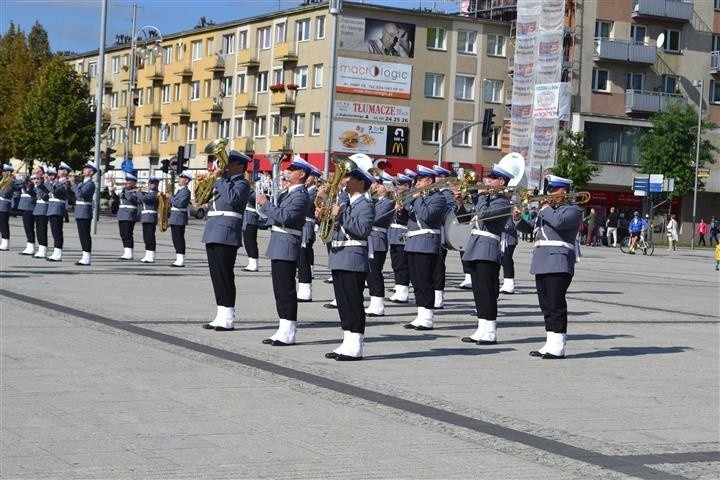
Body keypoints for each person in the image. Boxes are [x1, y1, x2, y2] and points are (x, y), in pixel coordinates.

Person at [512, 175, 583, 359]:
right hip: (542, 260)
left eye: (553, 190)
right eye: (549, 190)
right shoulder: (550, 210)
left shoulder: (573, 210)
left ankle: (558, 345)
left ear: (564, 191)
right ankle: (550, 342)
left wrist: (544, 208)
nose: (549, 193)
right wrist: (519, 220)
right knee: (545, 305)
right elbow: (532, 230)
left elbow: (558, 223)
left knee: (555, 303)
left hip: (558, 262)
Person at [318, 165, 375, 361]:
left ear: (361, 182)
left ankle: (356, 345)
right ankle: (347, 341)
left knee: (353, 303)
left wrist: (340, 215)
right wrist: (324, 216)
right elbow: (335, 228)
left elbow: (362, 230)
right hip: (340, 255)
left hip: (353, 257)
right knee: (343, 303)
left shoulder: (366, 205)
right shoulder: (347, 203)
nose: (345, 180)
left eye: (350, 178)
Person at [256, 156, 312, 346]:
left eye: (293, 170)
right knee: (279, 290)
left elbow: (285, 217)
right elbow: (275, 215)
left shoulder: (301, 195)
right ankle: (282, 328)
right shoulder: (289, 192)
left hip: (287, 243)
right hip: (279, 243)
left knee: (286, 290)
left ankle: (288, 331)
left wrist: (266, 204)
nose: (288, 172)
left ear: (302, 174)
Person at [460, 164, 513, 345]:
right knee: (479, 292)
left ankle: (490, 331)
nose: (487, 181)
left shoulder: (503, 202)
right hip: (475, 247)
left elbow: (483, 214)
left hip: (488, 249)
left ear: (502, 181)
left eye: (492, 178)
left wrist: (481, 195)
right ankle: (481, 328)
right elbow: (467, 215)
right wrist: (462, 200)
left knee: (487, 292)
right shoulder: (488, 198)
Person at [201, 150, 251, 331]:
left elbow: (232, 199)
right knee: (217, 276)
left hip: (226, 232)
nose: (226, 166)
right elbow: (202, 200)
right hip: (213, 230)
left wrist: (220, 180)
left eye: (230, 163)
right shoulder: (225, 182)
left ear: (240, 166)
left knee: (225, 275)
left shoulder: (243, 183)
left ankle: (228, 316)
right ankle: (220, 314)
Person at [402, 165, 447, 331]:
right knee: (416, 282)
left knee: (425, 281)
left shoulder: (438, 198)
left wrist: (417, 198)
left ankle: (428, 317)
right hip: (413, 242)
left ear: (429, 181)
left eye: (420, 180)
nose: (417, 183)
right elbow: (407, 209)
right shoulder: (419, 196)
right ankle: (420, 314)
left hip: (427, 242)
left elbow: (427, 215)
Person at [365, 173, 396, 317]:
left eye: (380, 184)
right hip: (371, 238)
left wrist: (368, 199)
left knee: (375, 272)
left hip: (377, 240)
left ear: (388, 187)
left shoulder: (389, 202)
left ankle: (378, 305)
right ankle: (374, 302)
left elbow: (374, 218)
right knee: (370, 273)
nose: (376, 186)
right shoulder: (377, 201)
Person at [297, 165, 322, 302]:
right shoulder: (308, 191)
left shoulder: (313, 192)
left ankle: (306, 290)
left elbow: (305, 207)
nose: (306, 179)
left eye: (309, 176)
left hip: (307, 225)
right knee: (302, 257)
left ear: (315, 178)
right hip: (303, 224)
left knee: (304, 258)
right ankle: (303, 288)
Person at [386, 173, 413, 303]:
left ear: (407, 186)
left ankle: (403, 292)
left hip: (403, 232)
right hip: (394, 232)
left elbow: (406, 218)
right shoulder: (399, 197)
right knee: (395, 261)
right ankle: (399, 287)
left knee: (402, 262)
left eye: (400, 185)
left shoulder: (409, 198)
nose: (397, 187)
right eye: (397, 184)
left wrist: (401, 210)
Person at [46, 163, 72, 261]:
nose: (58, 171)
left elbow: (55, 192)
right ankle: (55, 252)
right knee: (54, 231)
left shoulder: (65, 182)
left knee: (57, 231)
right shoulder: (56, 181)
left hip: (58, 208)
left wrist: (49, 183)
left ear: (65, 172)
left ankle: (58, 253)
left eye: (61, 169)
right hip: (52, 207)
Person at [73, 161, 97, 266]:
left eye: (87, 168)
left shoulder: (90, 184)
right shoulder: (83, 183)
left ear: (91, 172)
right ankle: (84, 256)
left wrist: (74, 184)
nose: (84, 170)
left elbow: (80, 193)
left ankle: (87, 257)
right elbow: (73, 195)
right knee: (81, 235)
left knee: (85, 235)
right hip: (79, 210)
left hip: (84, 211)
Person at [169, 171, 193, 267]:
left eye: (181, 178)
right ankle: (178, 258)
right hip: (175, 218)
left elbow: (179, 204)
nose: (179, 179)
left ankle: (181, 259)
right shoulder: (179, 190)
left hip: (179, 218)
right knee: (175, 239)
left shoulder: (186, 191)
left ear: (186, 181)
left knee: (179, 239)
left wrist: (170, 197)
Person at [117, 173, 139, 260]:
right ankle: (126, 252)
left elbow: (131, 199)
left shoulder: (136, 191)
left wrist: (126, 190)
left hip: (129, 214)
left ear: (134, 183)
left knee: (128, 233)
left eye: (129, 181)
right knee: (123, 234)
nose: (127, 183)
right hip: (122, 213)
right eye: (126, 181)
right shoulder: (124, 190)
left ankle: (129, 253)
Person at [138, 176, 160, 263]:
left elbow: (144, 199)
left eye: (153, 183)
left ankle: (151, 256)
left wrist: (139, 193)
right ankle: (147, 254)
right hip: (145, 217)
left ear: (157, 184)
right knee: (146, 237)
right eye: (150, 183)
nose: (151, 185)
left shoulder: (155, 194)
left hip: (150, 216)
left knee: (150, 237)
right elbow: (140, 200)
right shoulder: (149, 193)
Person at [242, 175, 261, 272]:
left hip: (251, 220)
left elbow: (253, 200)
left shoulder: (253, 194)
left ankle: (254, 263)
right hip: (246, 220)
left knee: (251, 242)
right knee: (247, 242)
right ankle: (251, 262)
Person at [31, 168, 51, 259]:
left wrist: (38, 185)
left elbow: (41, 196)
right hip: (38, 208)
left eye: (38, 172)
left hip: (44, 208)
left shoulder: (46, 183)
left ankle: (43, 249)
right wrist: (34, 185)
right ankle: (41, 248)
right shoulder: (39, 184)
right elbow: (34, 195)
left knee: (42, 230)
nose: (36, 174)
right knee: (38, 230)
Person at [17, 171, 37, 256]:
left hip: (30, 206)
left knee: (29, 227)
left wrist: (29, 184)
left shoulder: (35, 180)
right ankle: (29, 245)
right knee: (27, 227)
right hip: (24, 206)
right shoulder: (27, 180)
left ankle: (31, 246)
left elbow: (31, 191)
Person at [0, 164, 17, 251]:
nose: (3, 173)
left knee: (4, 224)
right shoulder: (4, 180)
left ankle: (5, 243)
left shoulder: (10, 181)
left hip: (4, 205)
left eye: (4, 172)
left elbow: (5, 193)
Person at [499, 215, 518, 294]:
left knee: (507, 260)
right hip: (502, 238)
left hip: (509, 239)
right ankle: (507, 283)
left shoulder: (510, 209)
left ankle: (509, 284)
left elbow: (511, 225)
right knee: (503, 260)